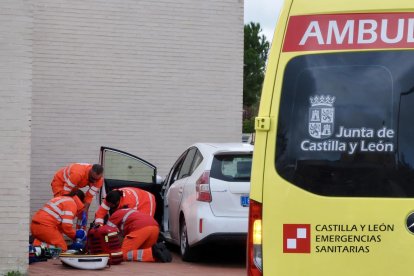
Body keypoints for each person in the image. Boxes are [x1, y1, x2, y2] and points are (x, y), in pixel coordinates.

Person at [107, 208, 171, 262]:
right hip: (155, 227)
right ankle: (159, 252)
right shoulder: (132, 211)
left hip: (140, 228)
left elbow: (108, 233)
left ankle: (152, 254)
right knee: (139, 251)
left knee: (122, 255)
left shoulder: (114, 215)